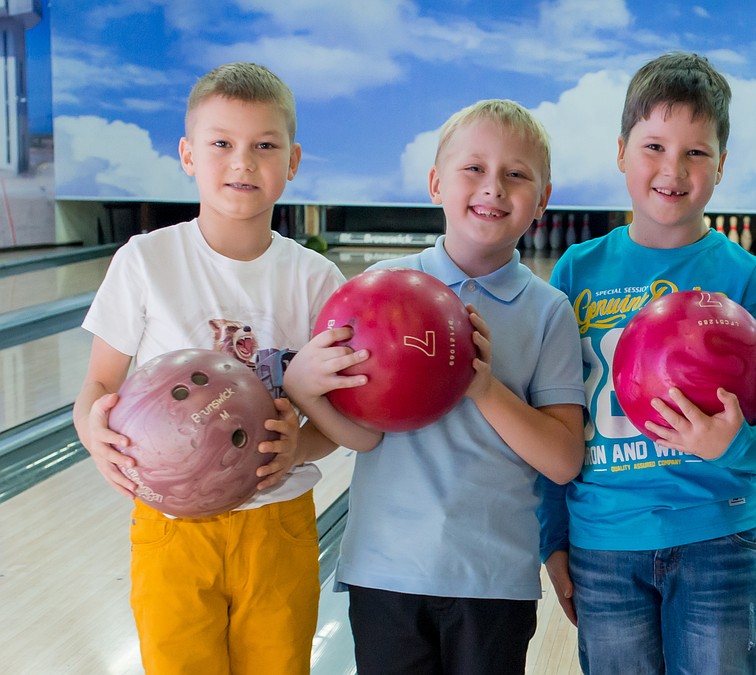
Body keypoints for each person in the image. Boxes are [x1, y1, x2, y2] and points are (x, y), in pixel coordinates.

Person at [283, 98, 586, 675]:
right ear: (435, 183)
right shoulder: (378, 294)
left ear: (542, 201)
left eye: (516, 174)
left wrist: (483, 387)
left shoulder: (549, 313)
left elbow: (564, 459)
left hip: (494, 579)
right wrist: (304, 392)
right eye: (473, 168)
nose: (493, 187)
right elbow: (361, 436)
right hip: (385, 569)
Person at [73, 62, 352, 674]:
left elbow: (340, 423)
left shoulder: (315, 281)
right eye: (222, 143)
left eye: (264, 146)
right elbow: (97, 385)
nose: (242, 162)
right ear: (188, 155)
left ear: (293, 161)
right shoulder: (146, 261)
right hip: (171, 529)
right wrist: (94, 438)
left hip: (277, 523)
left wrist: (297, 449)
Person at [537, 52, 756, 674]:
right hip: (603, 541)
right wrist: (552, 539)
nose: (672, 170)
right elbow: (554, 417)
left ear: (721, 166)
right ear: (621, 151)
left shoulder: (743, 274)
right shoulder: (577, 270)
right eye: (653, 146)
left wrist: (732, 443)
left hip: (718, 538)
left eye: (696, 153)